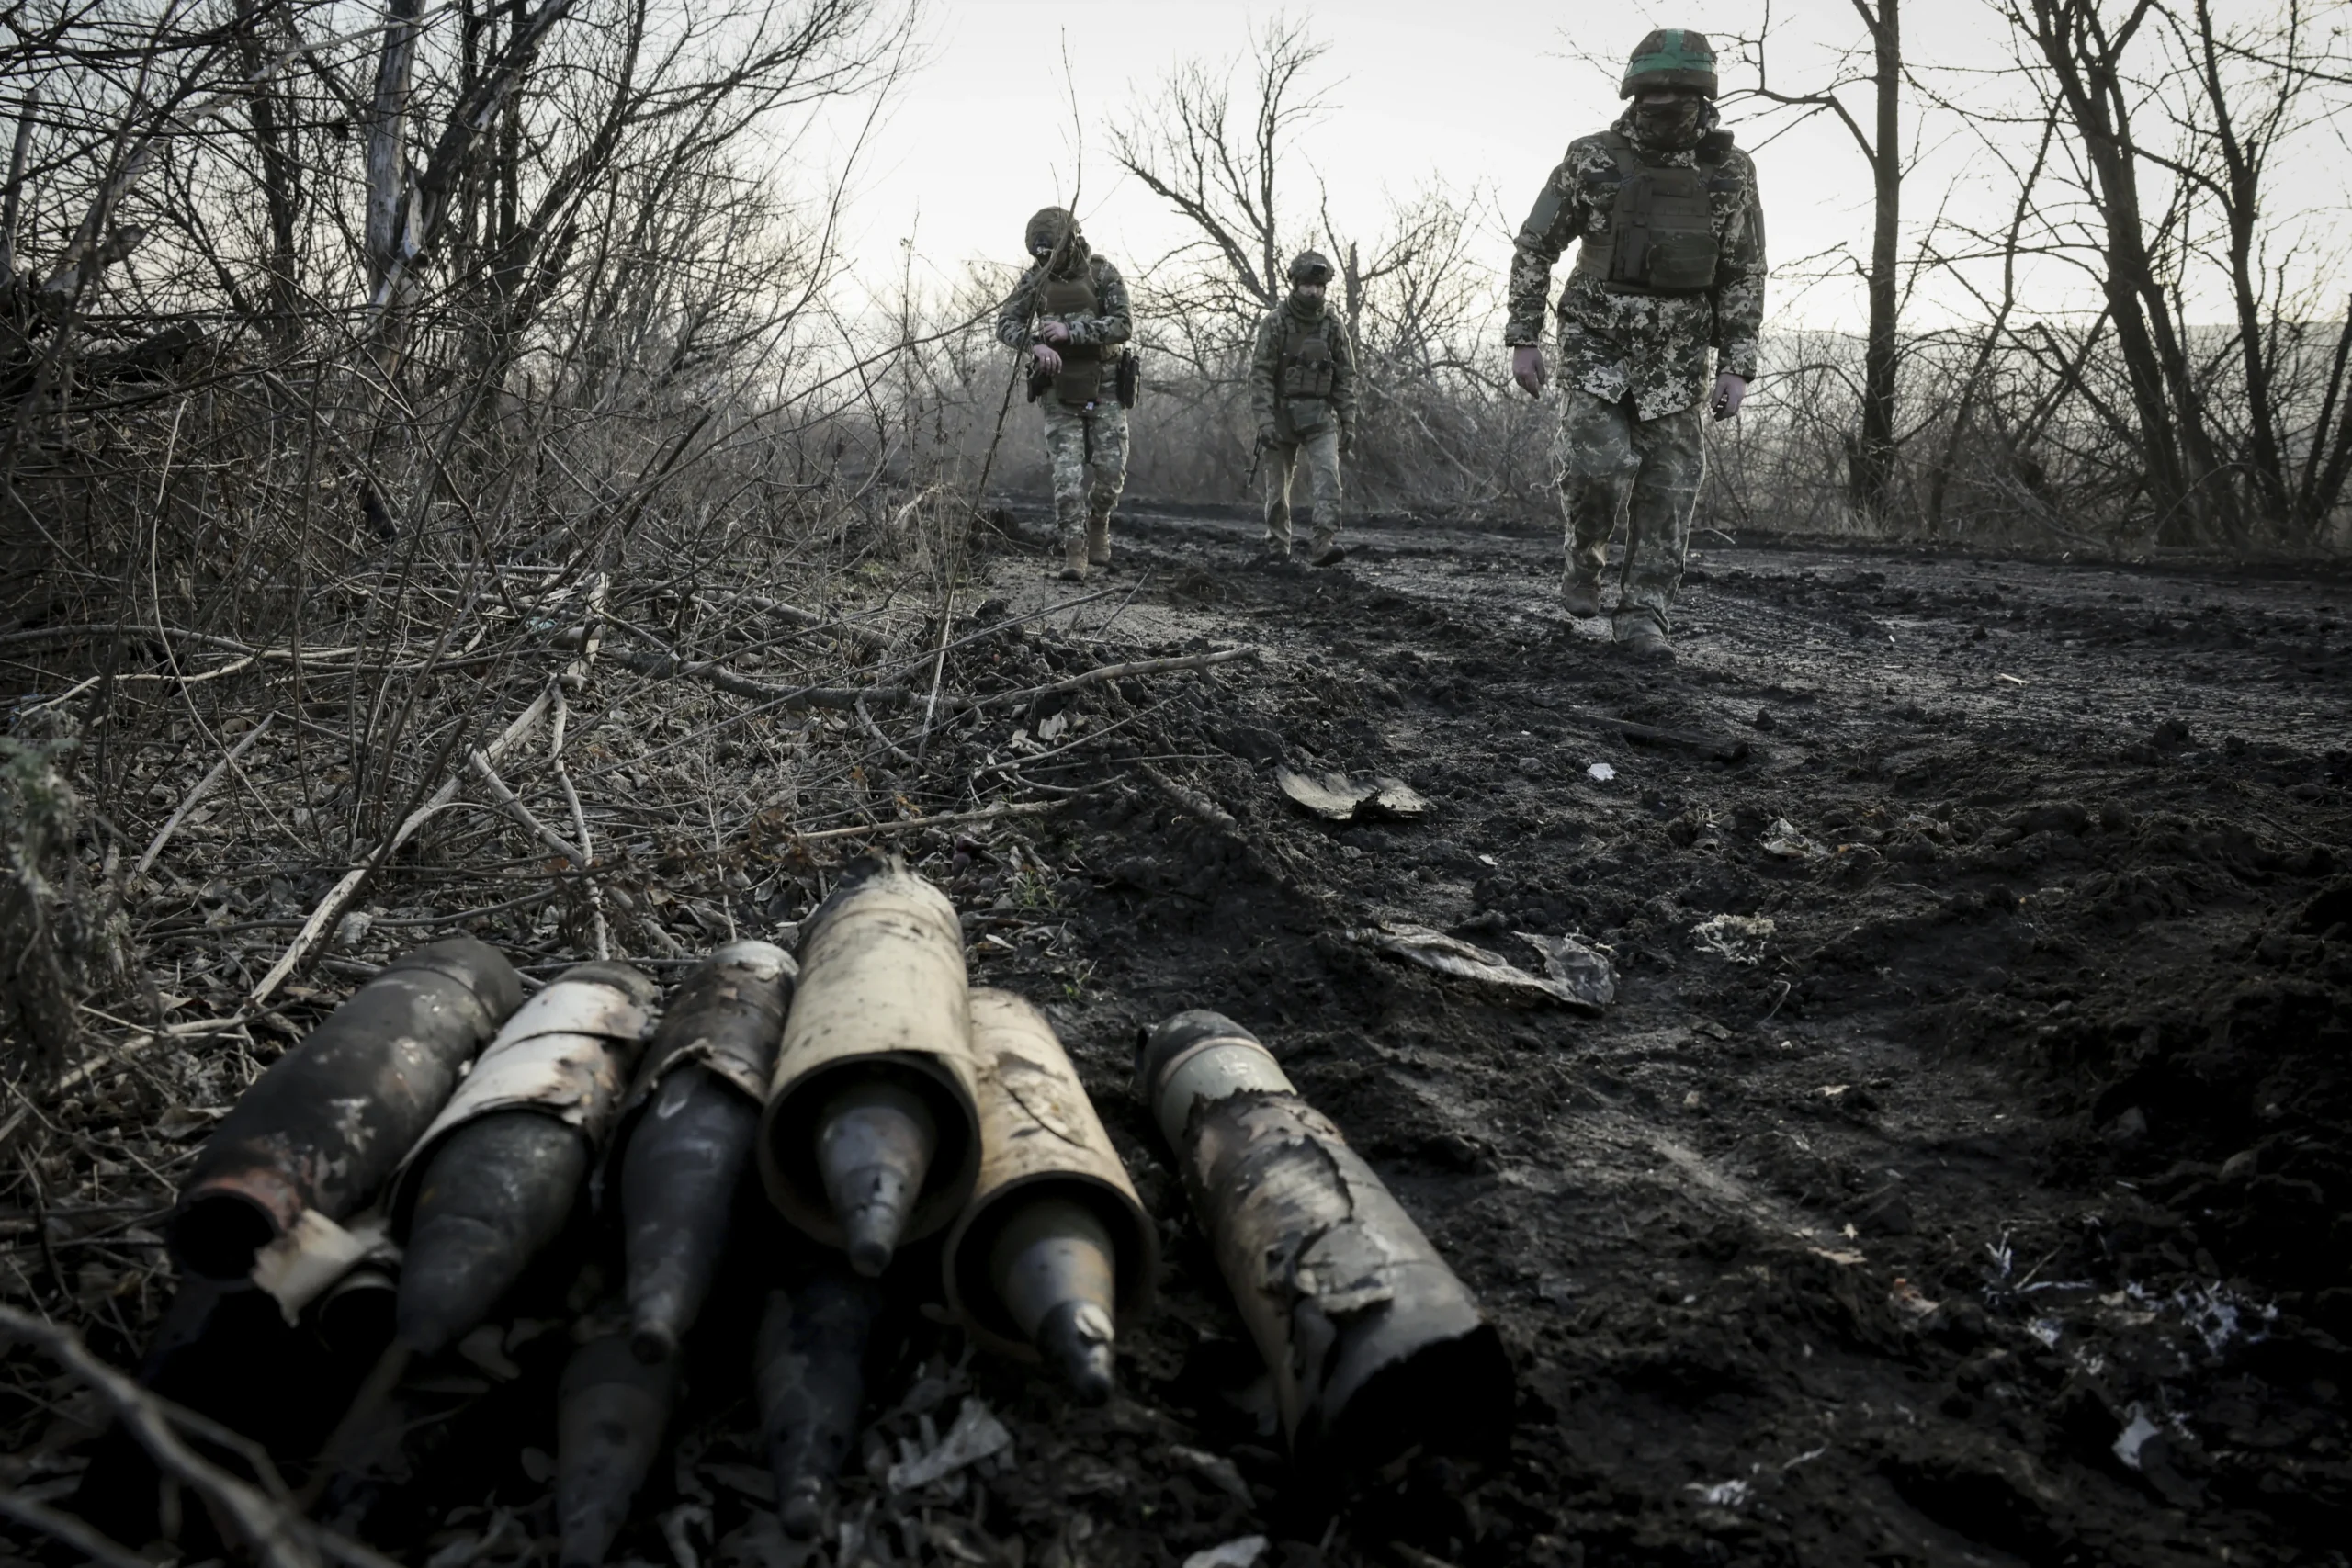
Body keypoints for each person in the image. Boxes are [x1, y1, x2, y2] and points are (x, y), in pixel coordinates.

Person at [1504, 28, 1765, 658]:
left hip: (1677, 358)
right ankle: (1583, 561)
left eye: (1678, 90)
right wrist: (1524, 336)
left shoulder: (1730, 172)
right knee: (1596, 469)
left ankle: (1645, 613)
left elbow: (1743, 272)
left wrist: (1737, 366)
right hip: (1596, 343)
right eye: (1652, 90)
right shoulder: (1591, 158)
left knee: (1670, 488)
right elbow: (1536, 244)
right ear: (1633, 91)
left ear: (1703, 95)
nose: (1663, 101)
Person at [994, 207, 1136, 581]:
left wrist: (1072, 332)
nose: (1045, 261)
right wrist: (1034, 345)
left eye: (1051, 252)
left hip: (1105, 386)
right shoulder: (1035, 280)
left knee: (1110, 473)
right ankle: (1075, 552)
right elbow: (1005, 322)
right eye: (1039, 255)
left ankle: (1098, 524)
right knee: (1066, 480)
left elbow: (1123, 324)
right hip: (1059, 390)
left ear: (1070, 241)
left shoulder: (1102, 273)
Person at [1248, 250, 1358, 566]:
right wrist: (1265, 419)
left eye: (1319, 286)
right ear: (1295, 285)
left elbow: (1345, 375)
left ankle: (1324, 541)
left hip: (1320, 416)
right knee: (1277, 490)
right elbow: (1261, 374)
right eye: (1307, 285)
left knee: (1328, 478)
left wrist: (1348, 419)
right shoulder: (1276, 323)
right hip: (1281, 417)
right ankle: (1277, 547)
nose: (1313, 291)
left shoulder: (1333, 325)